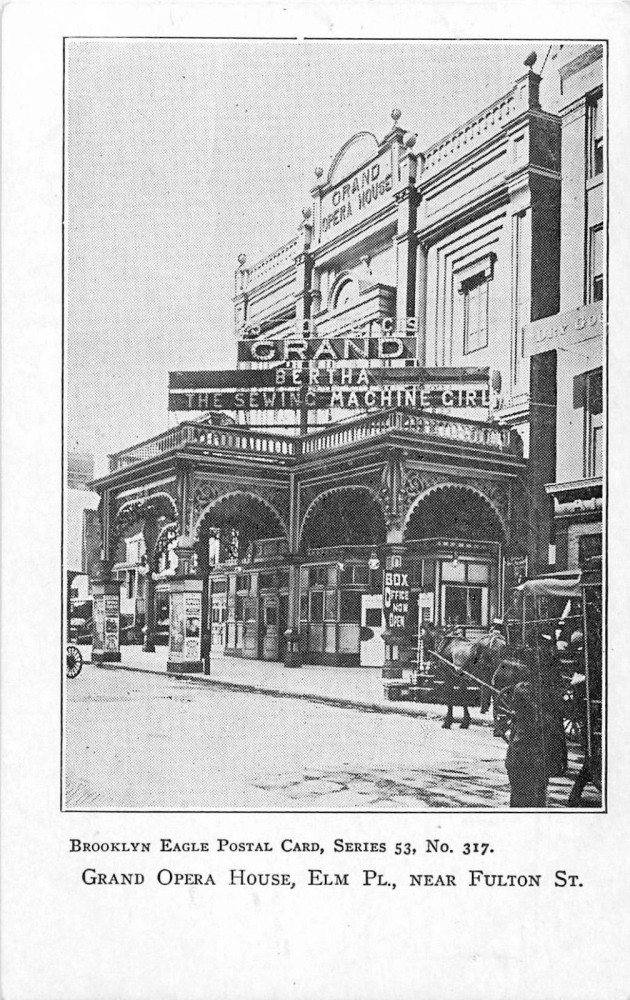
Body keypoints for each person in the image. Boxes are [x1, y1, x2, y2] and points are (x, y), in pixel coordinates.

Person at [505, 636, 568, 808]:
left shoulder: (522, 690)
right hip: (536, 757)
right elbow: (551, 722)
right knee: (536, 800)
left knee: (521, 800)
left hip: (523, 756)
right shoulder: (545, 692)